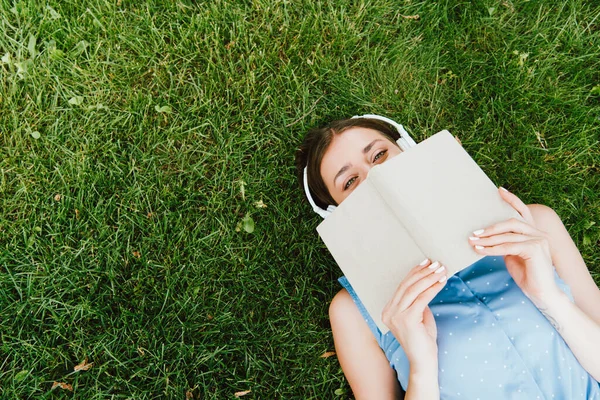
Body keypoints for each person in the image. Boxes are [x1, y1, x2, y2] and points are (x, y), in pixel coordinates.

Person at [295, 115, 600, 399]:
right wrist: (421, 364)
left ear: (410, 150)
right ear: (339, 215)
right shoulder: (353, 311)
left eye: (379, 155)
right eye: (350, 182)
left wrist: (549, 298)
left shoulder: (533, 225)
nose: (376, 178)